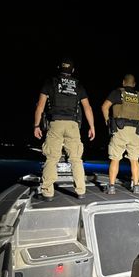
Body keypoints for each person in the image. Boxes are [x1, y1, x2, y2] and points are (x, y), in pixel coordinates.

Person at [33, 57, 95, 201]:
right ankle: (81, 191)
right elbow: (87, 108)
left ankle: (47, 193)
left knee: (52, 158)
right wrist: (92, 126)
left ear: (59, 68)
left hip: (56, 124)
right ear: (72, 71)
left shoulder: (50, 82)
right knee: (76, 159)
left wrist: (36, 125)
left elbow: (40, 107)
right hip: (73, 125)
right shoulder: (78, 86)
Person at [101, 74, 139, 194]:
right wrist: (137, 120)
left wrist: (108, 121)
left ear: (123, 83)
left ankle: (112, 187)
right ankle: (136, 186)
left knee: (115, 158)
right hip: (135, 132)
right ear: (134, 84)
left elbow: (104, 107)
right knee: (135, 160)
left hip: (120, 129)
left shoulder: (117, 93)